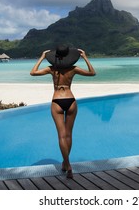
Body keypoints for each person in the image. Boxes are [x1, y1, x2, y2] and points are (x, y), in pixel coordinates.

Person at [30, 45, 96, 179]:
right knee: (69, 135)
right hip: (71, 100)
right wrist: (85, 57)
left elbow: (33, 72)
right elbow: (92, 73)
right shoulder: (73, 69)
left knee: (61, 136)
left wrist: (42, 57)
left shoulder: (51, 69)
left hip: (57, 101)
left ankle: (68, 164)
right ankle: (65, 164)